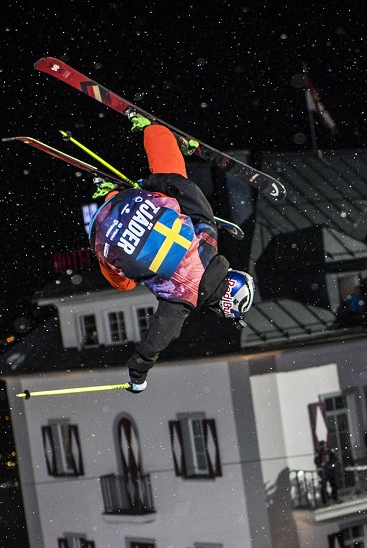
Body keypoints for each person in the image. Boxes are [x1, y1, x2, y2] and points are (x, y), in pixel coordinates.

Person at [89, 124, 255, 392]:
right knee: (124, 282)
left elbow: (186, 188)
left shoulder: (209, 238)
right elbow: (158, 335)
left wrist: (149, 184)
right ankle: (109, 197)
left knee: (176, 188)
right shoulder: (182, 299)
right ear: (219, 306)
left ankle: (157, 134)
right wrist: (138, 373)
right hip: (102, 231)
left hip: (137, 201)